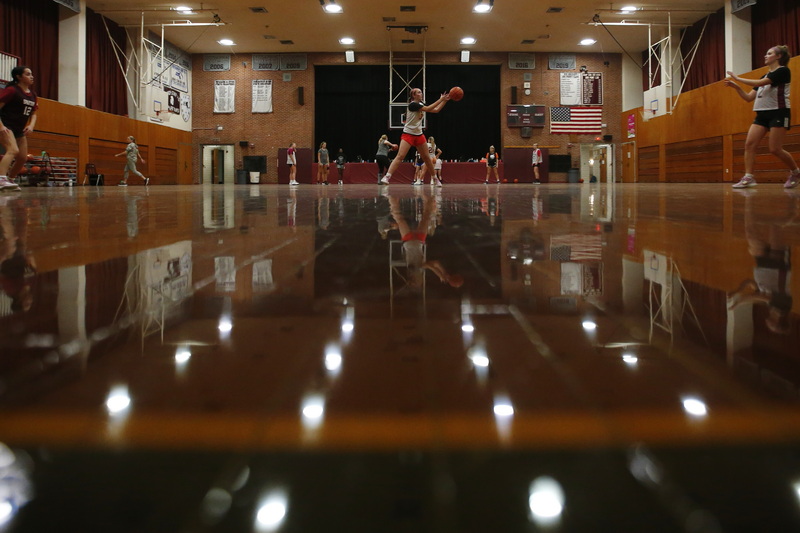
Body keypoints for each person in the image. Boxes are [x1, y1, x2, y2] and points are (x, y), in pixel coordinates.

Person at [725, 45, 800, 189]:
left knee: (775, 149)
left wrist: (738, 77)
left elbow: (759, 84)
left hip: (779, 112)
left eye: (769, 53)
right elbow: (748, 98)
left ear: (778, 56)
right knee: (749, 144)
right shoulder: (764, 76)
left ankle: (796, 172)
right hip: (762, 114)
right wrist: (737, 87)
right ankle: (749, 177)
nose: (765, 56)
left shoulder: (783, 71)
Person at [727, 192, 795, 334]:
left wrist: (738, 290)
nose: (768, 326)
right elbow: (762, 296)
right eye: (772, 328)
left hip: (763, 265)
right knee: (775, 226)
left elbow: (750, 283)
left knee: (750, 232)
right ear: (777, 325)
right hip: (778, 265)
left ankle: (748, 197)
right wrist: (740, 302)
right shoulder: (783, 308)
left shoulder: (769, 305)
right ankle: (793, 210)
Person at [387, 189, 462, 290]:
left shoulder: (413, 270)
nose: (421, 281)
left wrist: (440, 274)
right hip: (417, 242)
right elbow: (435, 262)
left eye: (419, 282)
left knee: (400, 218)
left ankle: (391, 197)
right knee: (426, 216)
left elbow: (429, 265)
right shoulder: (419, 271)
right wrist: (445, 273)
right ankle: (428, 195)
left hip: (411, 241)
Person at [380, 88, 450, 185]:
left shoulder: (421, 105)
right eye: (419, 92)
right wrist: (441, 99)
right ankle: (387, 177)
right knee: (400, 156)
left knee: (427, 158)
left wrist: (445, 101)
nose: (421, 93)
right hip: (408, 134)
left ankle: (435, 178)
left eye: (421, 92)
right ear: (414, 95)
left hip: (419, 135)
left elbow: (436, 110)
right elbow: (429, 108)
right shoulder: (413, 105)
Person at [0, 66, 38, 191]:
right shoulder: (12, 90)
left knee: (22, 157)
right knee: (12, 150)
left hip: (19, 129)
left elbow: (34, 113)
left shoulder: (32, 95)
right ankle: (1, 179)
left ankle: (10, 179)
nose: (31, 76)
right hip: (5, 125)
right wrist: (1, 126)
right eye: (28, 74)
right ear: (19, 77)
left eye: (31, 74)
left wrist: (31, 125)